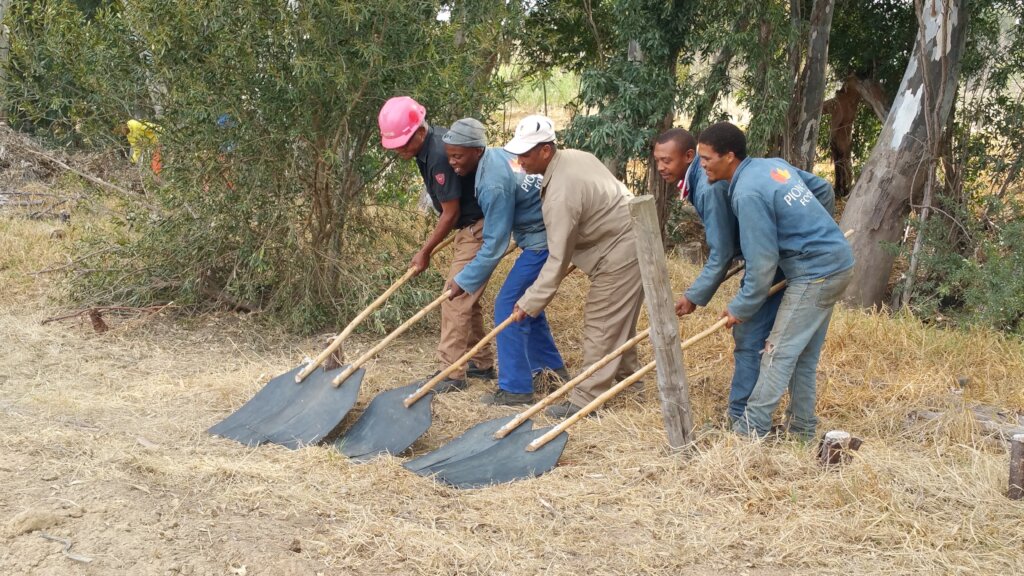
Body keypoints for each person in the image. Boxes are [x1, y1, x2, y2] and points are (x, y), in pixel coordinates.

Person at [653, 127, 834, 425]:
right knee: (781, 346)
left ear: (690, 157)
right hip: (771, 257)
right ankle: (788, 423)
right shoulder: (752, 169)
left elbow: (722, 253)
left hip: (778, 264)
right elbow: (823, 190)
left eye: (666, 161)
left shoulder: (710, 188)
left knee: (753, 337)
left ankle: (744, 419)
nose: (661, 167)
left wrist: (694, 296)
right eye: (657, 161)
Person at [696, 121, 854, 440]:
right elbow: (822, 189)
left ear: (729, 157)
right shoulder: (772, 166)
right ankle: (801, 432)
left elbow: (763, 262)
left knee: (776, 353)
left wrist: (741, 306)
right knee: (802, 357)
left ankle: (750, 431)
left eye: (706, 159)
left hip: (815, 274)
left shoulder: (746, 193)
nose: (701, 166)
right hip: (838, 262)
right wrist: (813, 230)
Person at [505, 115, 644, 418]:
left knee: (601, 323)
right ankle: (632, 388)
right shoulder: (575, 157)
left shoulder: (560, 192)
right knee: (619, 325)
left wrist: (530, 302)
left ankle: (585, 401)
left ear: (545, 150)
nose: (521, 160)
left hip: (620, 252)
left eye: (526, 154)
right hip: (632, 240)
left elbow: (558, 256)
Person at [440, 118, 569, 406]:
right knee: (528, 305)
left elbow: (495, 244)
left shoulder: (491, 184)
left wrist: (464, 280)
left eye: (458, 156)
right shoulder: (499, 155)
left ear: (476, 150)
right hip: (546, 235)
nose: (452, 164)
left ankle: (515, 388)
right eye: (449, 156)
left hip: (543, 243)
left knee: (509, 307)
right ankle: (552, 371)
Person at [377, 97, 494, 390]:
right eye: (396, 146)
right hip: (469, 226)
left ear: (419, 131)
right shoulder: (426, 148)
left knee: (453, 297)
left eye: (403, 144)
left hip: (477, 228)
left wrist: (424, 252)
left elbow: (450, 212)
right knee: (467, 296)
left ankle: (451, 374)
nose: (400, 151)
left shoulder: (440, 154)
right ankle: (481, 362)